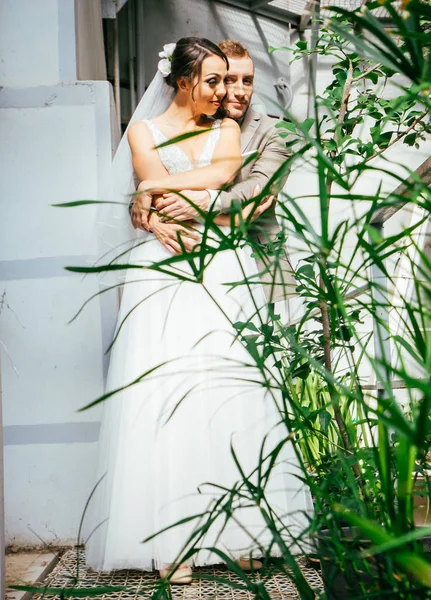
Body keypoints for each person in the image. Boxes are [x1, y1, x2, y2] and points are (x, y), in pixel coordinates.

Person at [86, 37, 311, 584]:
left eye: (230, 80)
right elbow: (143, 178)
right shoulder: (142, 130)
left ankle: (244, 532)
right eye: (213, 79)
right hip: (160, 269)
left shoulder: (229, 131)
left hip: (223, 264)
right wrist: (148, 206)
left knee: (228, 392)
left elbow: (222, 176)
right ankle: (170, 541)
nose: (223, 90)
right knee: (162, 392)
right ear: (184, 79)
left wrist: (155, 187)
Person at [130, 40, 296, 304]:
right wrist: (151, 215)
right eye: (228, 80)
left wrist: (201, 204)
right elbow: (147, 197)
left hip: (259, 265)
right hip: (178, 249)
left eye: (248, 81)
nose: (240, 91)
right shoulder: (161, 128)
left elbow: (257, 189)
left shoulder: (275, 132)